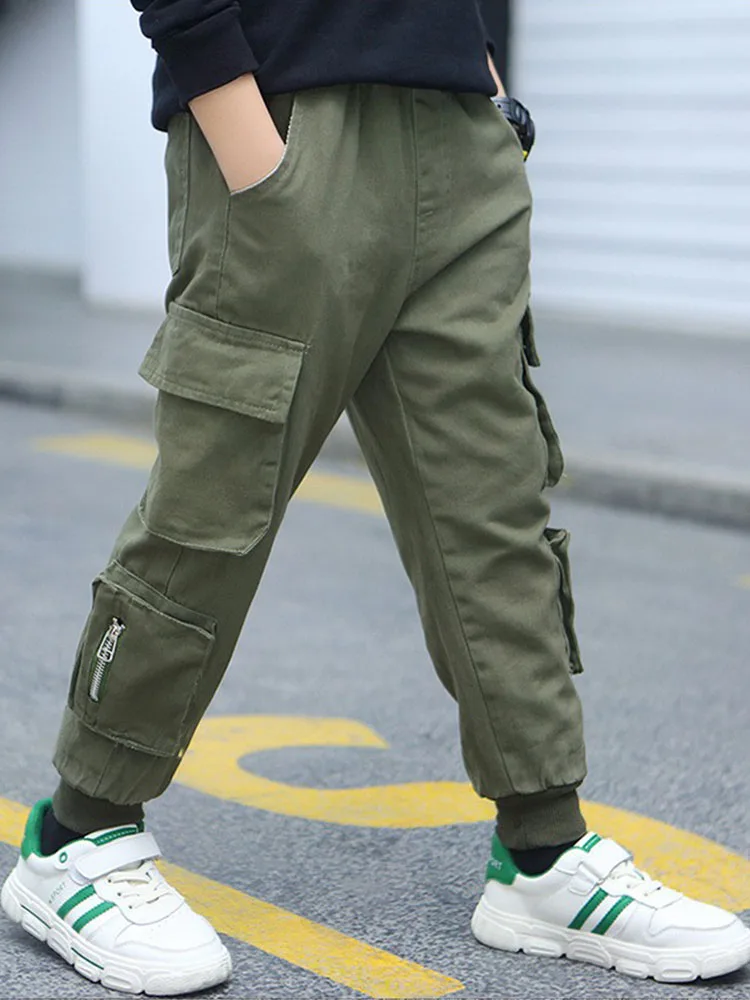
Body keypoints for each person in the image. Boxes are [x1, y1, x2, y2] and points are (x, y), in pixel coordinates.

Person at [3, 0, 749, 993]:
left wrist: (486, 89)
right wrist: (240, 124)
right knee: (214, 506)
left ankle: (543, 850)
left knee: (493, 511)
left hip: (457, 131)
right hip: (285, 123)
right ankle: (77, 835)